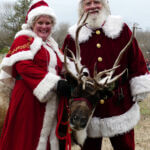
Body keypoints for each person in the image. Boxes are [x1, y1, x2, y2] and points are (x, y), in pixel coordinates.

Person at [62, 0, 150, 150]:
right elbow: (65, 68)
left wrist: (140, 87)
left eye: (97, 2)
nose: (92, 6)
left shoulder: (121, 30)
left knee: (126, 147)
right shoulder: (72, 37)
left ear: (104, 5)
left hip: (120, 101)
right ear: (82, 8)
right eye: (87, 3)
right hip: (88, 107)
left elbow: (136, 59)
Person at [0, 0, 74, 150]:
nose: (44, 26)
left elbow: (66, 65)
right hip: (28, 100)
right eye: (40, 22)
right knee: (26, 138)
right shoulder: (24, 39)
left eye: (48, 23)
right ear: (32, 23)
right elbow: (24, 67)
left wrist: (79, 75)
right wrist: (56, 83)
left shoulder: (52, 45)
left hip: (51, 102)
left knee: (47, 139)